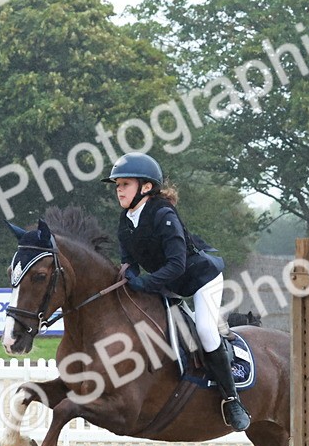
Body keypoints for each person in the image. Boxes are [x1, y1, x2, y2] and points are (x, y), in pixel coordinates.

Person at [103, 151, 250, 431]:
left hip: (199, 278)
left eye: (125, 184)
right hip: (169, 283)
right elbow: (128, 263)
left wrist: (144, 283)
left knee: (206, 331)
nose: (118, 190)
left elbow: (176, 265)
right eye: (117, 185)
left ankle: (232, 399)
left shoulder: (163, 214)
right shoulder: (126, 219)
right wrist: (129, 275)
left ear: (146, 187)